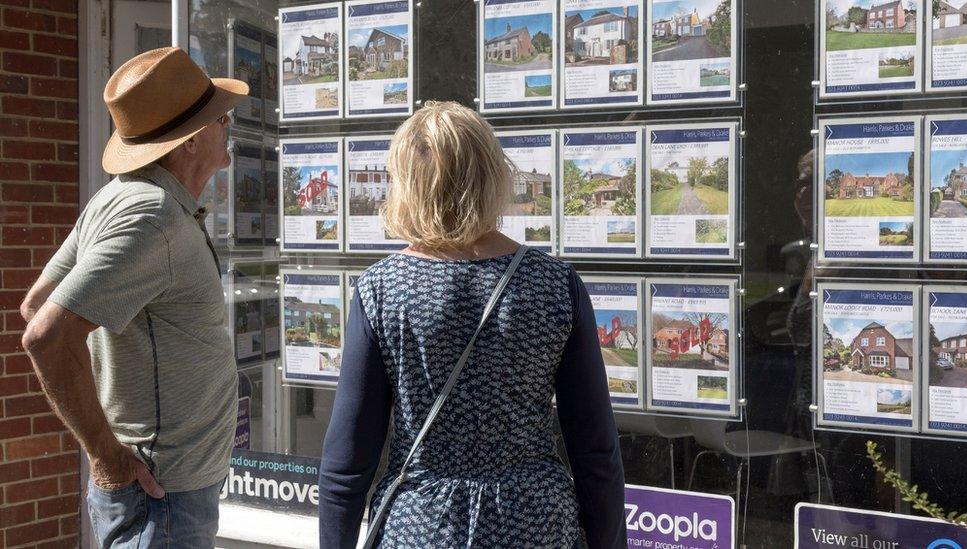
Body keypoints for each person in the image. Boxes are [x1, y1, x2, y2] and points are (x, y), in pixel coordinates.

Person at [318, 101, 626, 548]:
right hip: (534, 522)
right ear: (492, 174)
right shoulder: (555, 284)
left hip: (421, 525)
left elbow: (347, 462)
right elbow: (595, 450)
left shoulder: (382, 290)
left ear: (407, 184)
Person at [20, 47, 249, 548]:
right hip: (161, 500)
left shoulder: (126, 199)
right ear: (187, 143)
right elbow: (45, 332)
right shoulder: (150, 217)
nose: (226, 122)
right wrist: (105, 455)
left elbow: (37, 302)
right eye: (216, 117)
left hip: (166, 493)